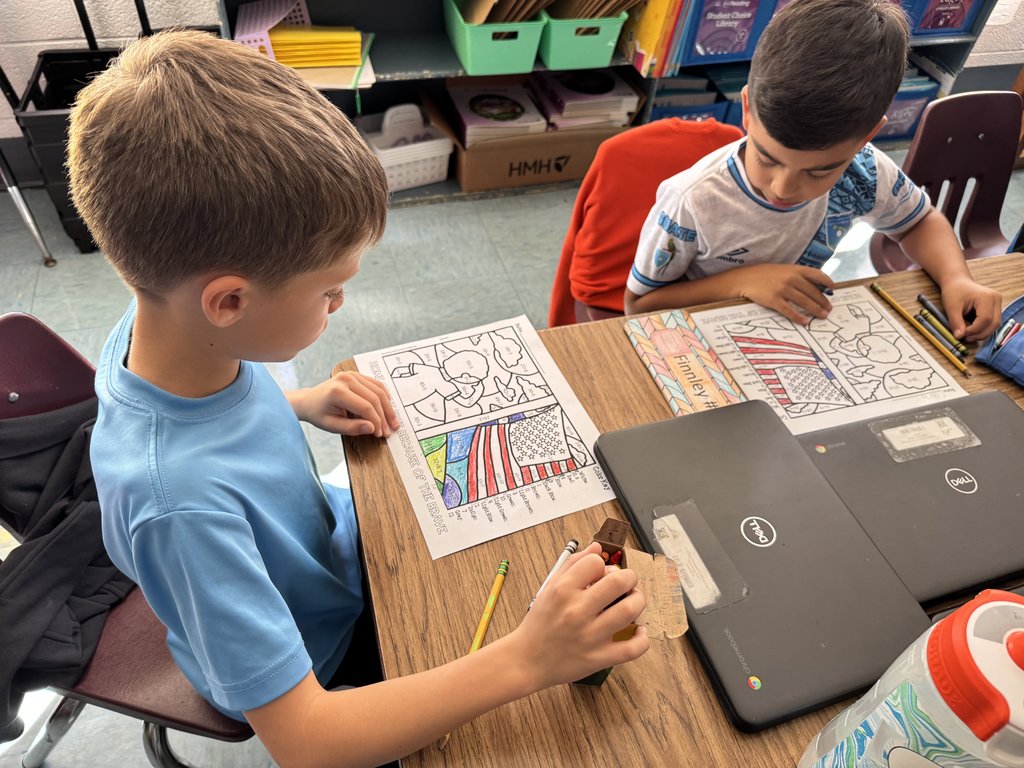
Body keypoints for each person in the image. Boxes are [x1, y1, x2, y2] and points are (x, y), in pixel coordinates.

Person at [69, 30, 649, 768]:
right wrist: (528, 660)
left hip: (326, 559)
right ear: (228, 301)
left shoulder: (168, 327)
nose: (341, 304)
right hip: (321, 661)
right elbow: (309, 741)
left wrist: (300, 402)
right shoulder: (179, 507)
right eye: (330, 289)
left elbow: (202, 425)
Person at [624, 0, 1001, 343]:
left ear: (867, 137)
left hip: (786, 337)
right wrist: (742, 282)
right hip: (699, 338)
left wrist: (956, 278)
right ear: (747, 110)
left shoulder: (865, 170)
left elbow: (917, 222)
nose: (784, 187)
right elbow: (639, 306)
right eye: (768, 159)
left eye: (819, 173)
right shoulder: (692, 200)